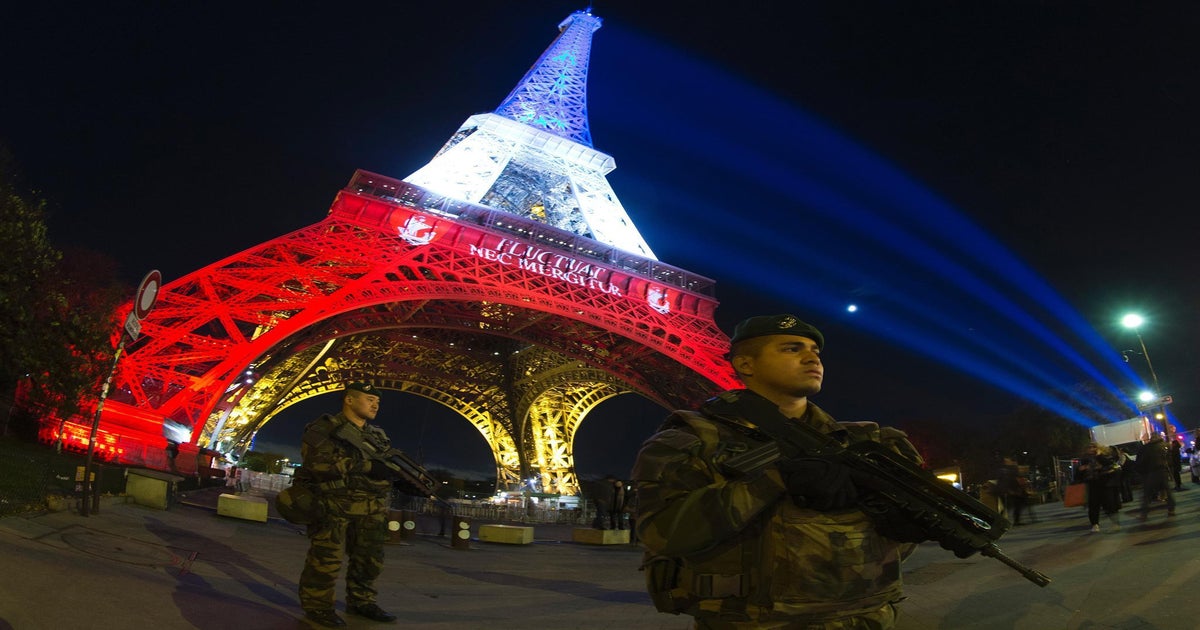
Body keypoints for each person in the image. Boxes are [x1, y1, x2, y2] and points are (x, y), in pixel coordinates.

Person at [632, 314, 923, 629]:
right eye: (791, 349)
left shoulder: (867, 442)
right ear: (746, 365)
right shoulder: (691, 439)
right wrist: (773, 479)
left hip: (868, 618)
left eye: (815, 351)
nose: (812, 357)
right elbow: (661, 534)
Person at [295, 382, 398, 627]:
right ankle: (318, 606)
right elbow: (318, 464)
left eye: (378, 401)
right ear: (349, 400)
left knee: (370, 560)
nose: (375, 404)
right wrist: (367, 467)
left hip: (371, 507)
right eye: (369, 398)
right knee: (326, 560)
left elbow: (387, 465)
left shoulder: (377, 436)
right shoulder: (325, 428)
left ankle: (361, 601)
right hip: (334, 505)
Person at [1076, 442, 1122, 533]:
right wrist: (1081, 470)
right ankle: (1095, 524)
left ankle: (1115, 523)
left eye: (1094, 447)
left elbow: (1110, 465)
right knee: (1093, 506)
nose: (1091, 449)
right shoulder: (1083, 460)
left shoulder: (1104, 456)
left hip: (1105, 483)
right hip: (1092, 484)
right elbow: (1078, 475)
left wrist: (1099, 456)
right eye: (1089, 447)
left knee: (1109, 504)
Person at [1137, 433, 1176, 521]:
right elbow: (1169, 459)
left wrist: (1142, 472)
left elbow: (1141, 461)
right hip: (1162, 471)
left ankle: (1144, 513)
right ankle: (1171, 509)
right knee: (1168, 492)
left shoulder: (1146, 448)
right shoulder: (1165, 446)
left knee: (1147, 494)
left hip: (1150, 472)